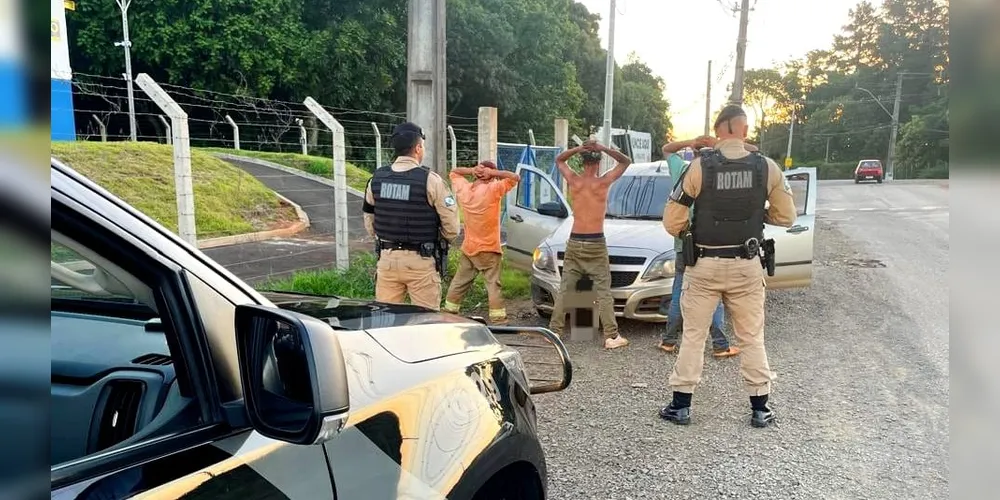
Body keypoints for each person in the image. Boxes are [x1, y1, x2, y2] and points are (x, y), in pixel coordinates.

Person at [658, 105, 796, 428]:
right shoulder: (766, 168)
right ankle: (760, 408)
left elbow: (672, 219)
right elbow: (787, 217)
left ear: (717, 130)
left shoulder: (699, 167)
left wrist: (690, 233)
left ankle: (681, 406)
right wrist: (756, 217)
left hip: (703, 263)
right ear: (745, 131)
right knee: (751, 337)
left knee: (693, 335)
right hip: (746, 265)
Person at [656, 136, 755, 358]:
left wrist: (689, 141)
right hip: (709, 246)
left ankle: (669, 341)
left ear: (694, 153)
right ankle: (720, 344)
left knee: (678, 294)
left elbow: (667, 149)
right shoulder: (719, 173)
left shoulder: (682, 169)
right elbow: (755, 150)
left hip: (683, 245)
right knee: (714, 296)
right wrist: (724, 144)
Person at [362, 122, 460, 310]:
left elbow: (369, 218)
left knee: (386, 321)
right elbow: (452, 226)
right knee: (425, 322)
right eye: (422, 146)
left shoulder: (376, 178)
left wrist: (384, 237)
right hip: (421, 261)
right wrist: (441, 241)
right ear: (417, 148)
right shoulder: (430, 180)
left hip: (387, 261)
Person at [549, 139, 632, 349]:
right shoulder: (603, 182)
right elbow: (625, 162)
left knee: (565, 289)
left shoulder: (574, 181)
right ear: (597, 163)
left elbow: (559, 160)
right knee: (603, 290)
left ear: (583, 162)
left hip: (575, 240)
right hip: (596, 241)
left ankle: (554, 332)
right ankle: (612, 337)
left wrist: (579, 148)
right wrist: (603, 148)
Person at [442, 161, 520, 324]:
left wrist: (472, 170)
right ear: (490, 177)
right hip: (489, 248)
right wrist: (494, 173)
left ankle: (449, 313)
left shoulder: (464, 190)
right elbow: (515, 177)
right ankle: (498, 319)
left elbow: (454, 172)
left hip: (469, 247)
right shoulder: (493, 189)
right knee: (493, 284)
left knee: (459, 282)